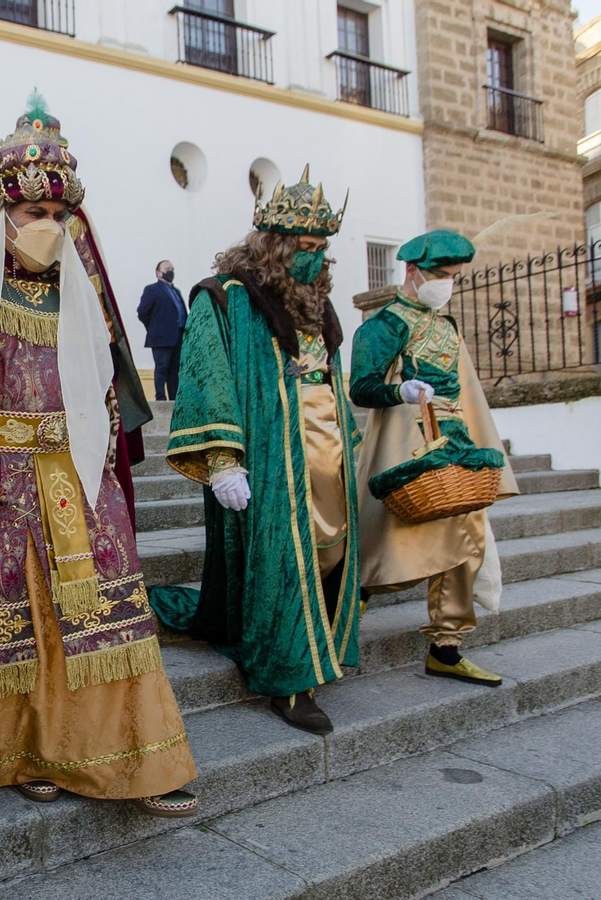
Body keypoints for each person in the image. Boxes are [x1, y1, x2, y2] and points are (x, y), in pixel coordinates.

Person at [0, 94, 198, 817]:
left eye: (61, 217)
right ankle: (24, 750)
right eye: (35, 216)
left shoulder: (78, 294)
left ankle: (134, 758)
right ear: (2, 214)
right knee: (18, 621)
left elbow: (101, 392)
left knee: (107, 616)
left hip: (78, 479)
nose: (50, 229)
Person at [153, 166, 364, 735]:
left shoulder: (315, 303)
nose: (317, 259)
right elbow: (205, 377)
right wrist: (223, 459)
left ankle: (318, 645)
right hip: (272, 458)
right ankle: (289, 679)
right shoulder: (226, 299)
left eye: (323, 249)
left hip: (330, 454)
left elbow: (330, 377)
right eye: (305, 248)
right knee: (280, 563)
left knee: (329, 556)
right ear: (274, 245)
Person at [349, 229, 518, 687]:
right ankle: (339, 628)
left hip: (454, 446)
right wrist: (398, 390)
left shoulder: (447, 326)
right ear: (412, 271)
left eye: (454, 276)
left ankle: (447, 647)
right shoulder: (382, 325)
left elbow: (466, 390)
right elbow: (359, 388)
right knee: (382, 538)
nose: (447, 283)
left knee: (465, 534)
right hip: (404, 446)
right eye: (441, 275)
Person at [137, 260, 187, 400]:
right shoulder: (152, 290)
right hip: (161, 338)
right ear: (158, 273)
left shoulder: (175, 291)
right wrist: (153, 328)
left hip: (178, 336)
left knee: (174, 370)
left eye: (172, 268)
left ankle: (174, 398)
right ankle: (160, 397)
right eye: (167, 269)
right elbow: (142, 312)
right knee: (162, 367)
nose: (170, 271)